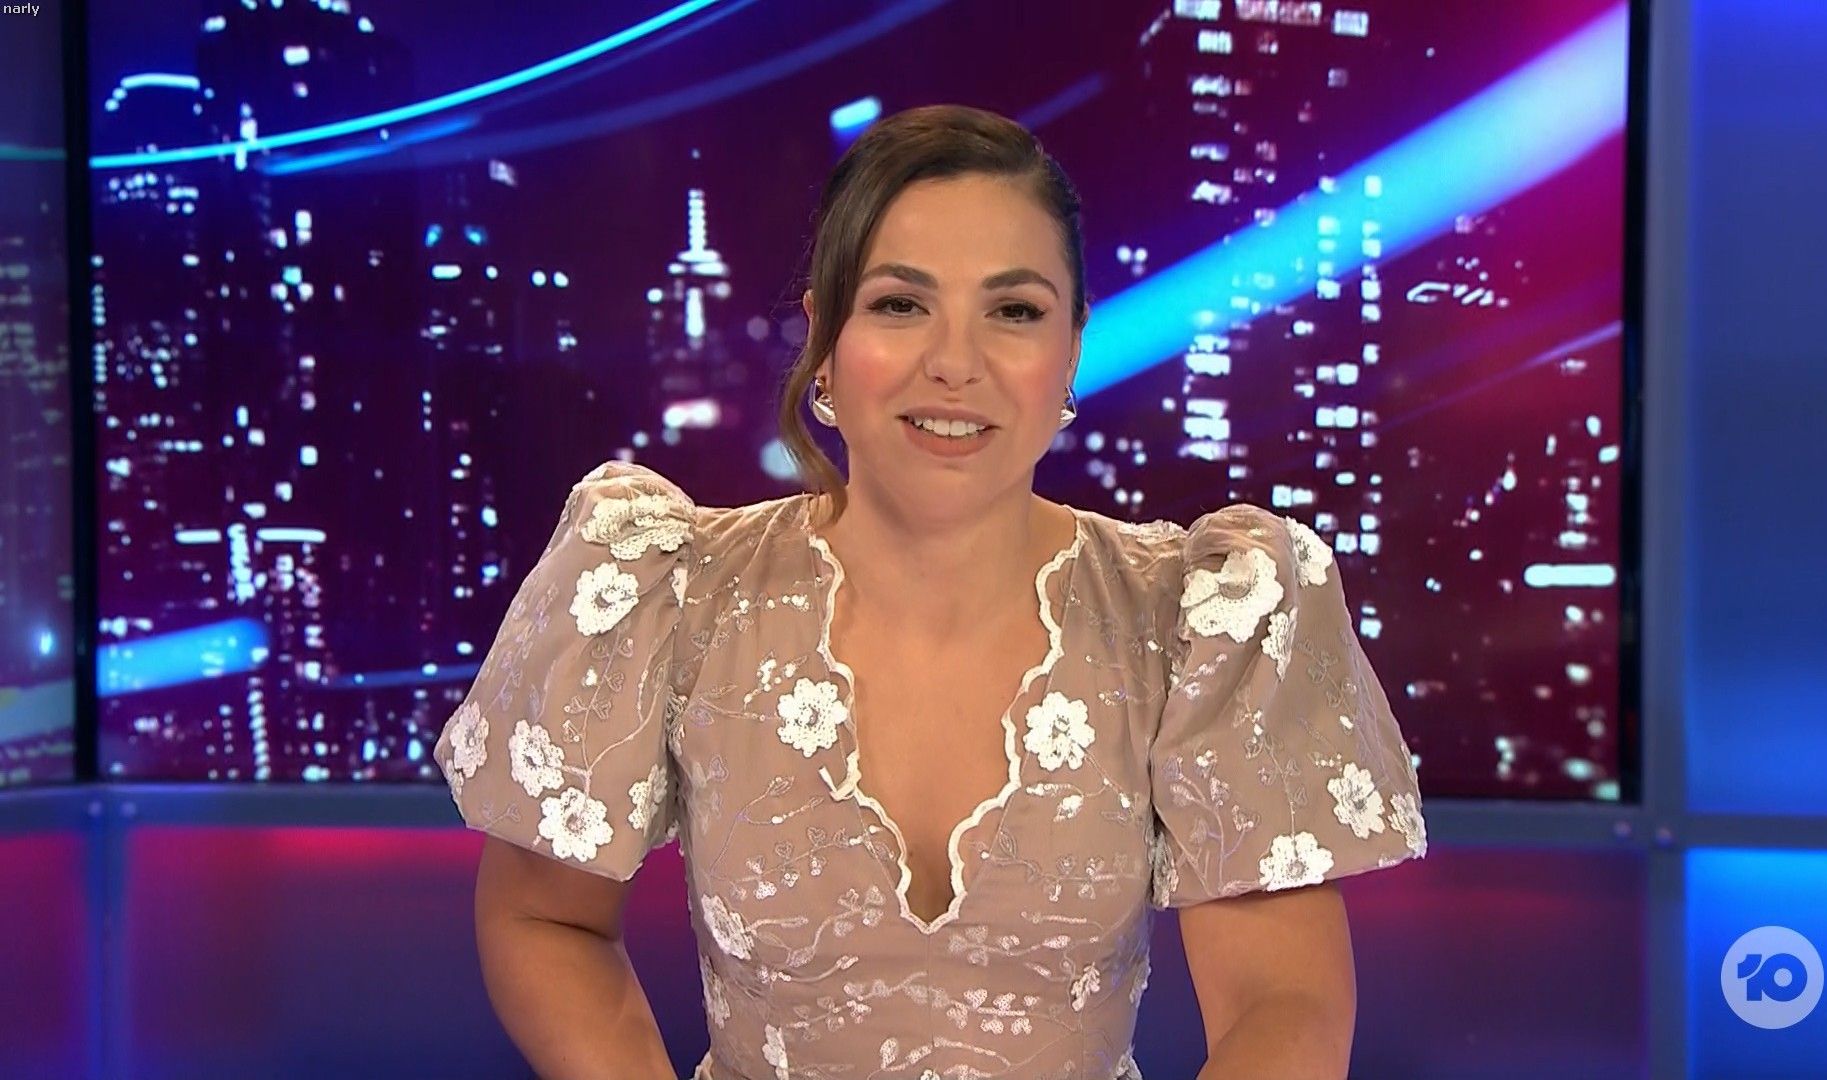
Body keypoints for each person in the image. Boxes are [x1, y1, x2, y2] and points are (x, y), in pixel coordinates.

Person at [434, 104, 1427, 1080]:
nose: (954, 363)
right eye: (900, 305)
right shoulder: (677, 591)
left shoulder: (1195, 618)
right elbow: (544, 917)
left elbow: (1282, 1001)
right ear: (825, 339)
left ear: (1071, 349)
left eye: (1014, 311)